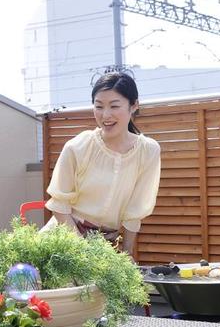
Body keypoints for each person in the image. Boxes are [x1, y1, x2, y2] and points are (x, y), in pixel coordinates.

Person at [44, 71, 161, 256]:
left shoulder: (148, 151)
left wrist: (127, 253)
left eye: (114, 106)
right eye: (98, 106)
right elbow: (60, 206)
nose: (106, 115)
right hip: (63, 242)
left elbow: (135, 210)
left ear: (134, 105)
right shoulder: (79, 146)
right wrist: (82, 253)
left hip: (104, 249)